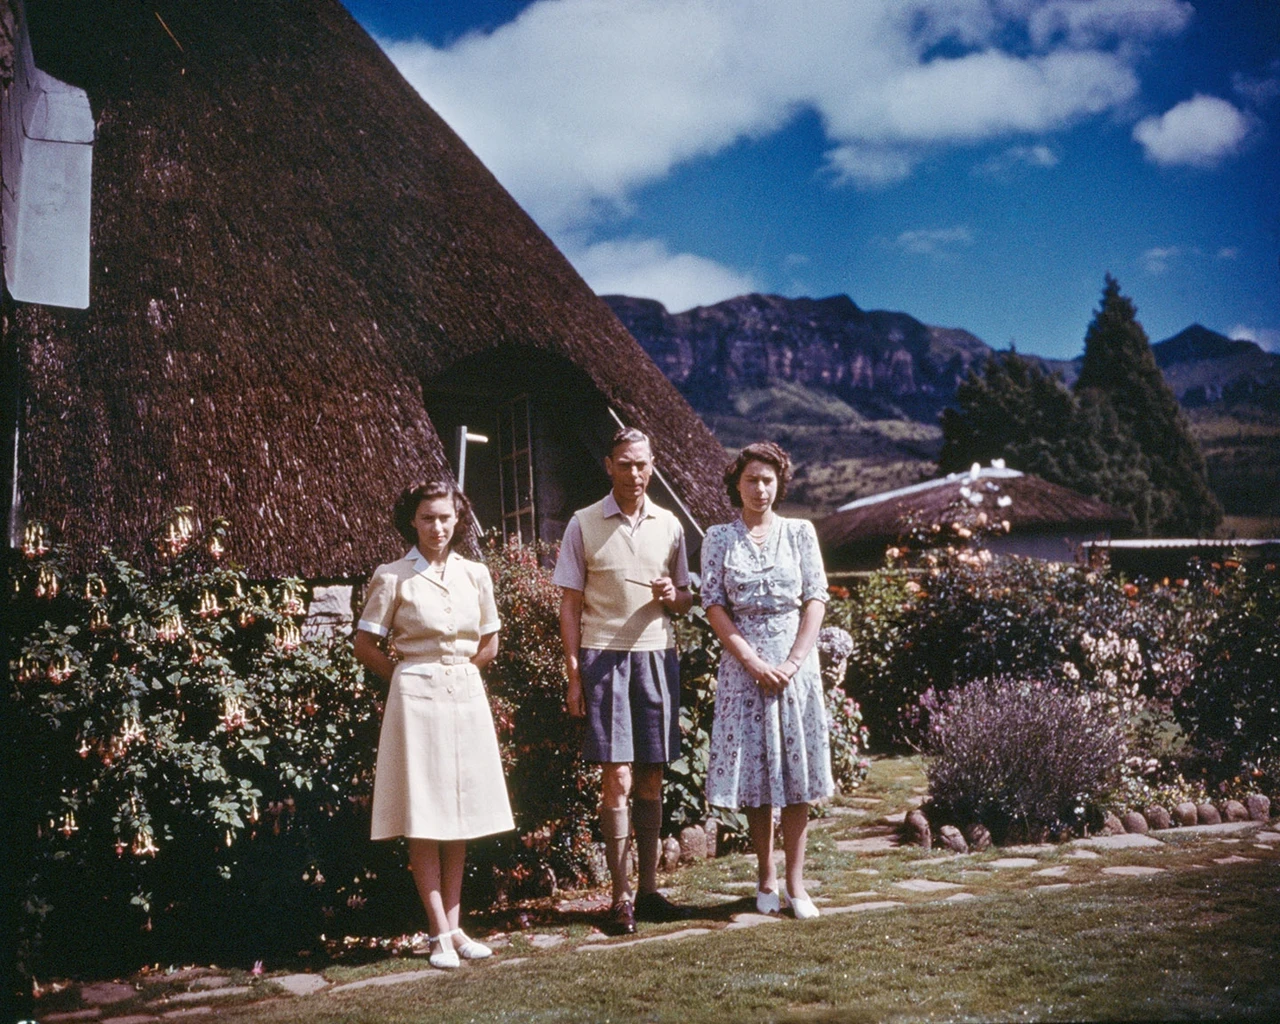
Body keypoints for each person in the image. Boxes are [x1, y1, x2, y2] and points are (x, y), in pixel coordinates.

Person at [353, 480, 514, 968]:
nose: (437, 527)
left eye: (445, 517)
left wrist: (459, 674)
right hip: (415, 701)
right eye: (427, 518)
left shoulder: (476, 575)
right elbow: (365, 644)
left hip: (465, 696)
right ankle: (437, 933)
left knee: (460, 809)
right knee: (425, 812)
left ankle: (458, 927)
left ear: (457, 519)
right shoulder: (393, 576)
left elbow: (490, 642)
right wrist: (406, 677)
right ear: (412, 522)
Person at [554, 427, 694, 934]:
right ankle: (619, 899)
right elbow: (569, 603)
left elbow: (683, 600)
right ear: (609, 465)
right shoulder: (583, 523)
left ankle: (650, 890)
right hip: (603, 657)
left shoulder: (671, 525)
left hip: (657, 656)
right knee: (616, 775)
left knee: (653, 773)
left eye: (642, 464)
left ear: (652, 465)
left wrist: (671, 595)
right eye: (624, 464)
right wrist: (573, 673)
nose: (634, 474)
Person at [701, 441, 833, 920]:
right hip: (745, 670)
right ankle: (766, 878)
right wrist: (753, 663)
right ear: (737, 483)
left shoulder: (800, 532)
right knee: (757, 774)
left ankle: (798, 885)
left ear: (780, 484)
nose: (761, 488)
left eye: (769, 480)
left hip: (795, 668)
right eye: (752, 479)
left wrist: (794, 661)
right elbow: (714, 603)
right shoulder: (719, 537)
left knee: (795, 775)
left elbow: (816, 598)